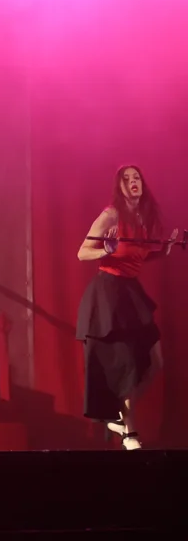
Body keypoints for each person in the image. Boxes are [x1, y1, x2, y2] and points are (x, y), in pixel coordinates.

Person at [76, 165, 177, 450]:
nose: (133, 182)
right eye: (127, 179)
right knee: (129, 364)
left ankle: (117, 414)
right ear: (119, 187)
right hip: (108, 294)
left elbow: (135, 256)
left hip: (130, 293)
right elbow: (82, 252)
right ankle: (130, 432)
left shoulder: (142, 218)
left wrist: (163, 250)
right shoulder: (111, 215)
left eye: (137, 178)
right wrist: (105, 249)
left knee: (155, 362)